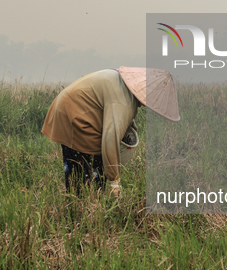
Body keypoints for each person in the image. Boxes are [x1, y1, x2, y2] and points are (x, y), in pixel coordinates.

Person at [41, 66, 180, 197]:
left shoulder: (121, 82)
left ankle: (75, 203)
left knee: (77, 172)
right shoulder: (123, 102)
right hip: (76, 116)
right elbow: (110, 139)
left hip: (66, 108)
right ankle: (85, 206)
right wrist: (115, 182)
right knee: (91, 173)